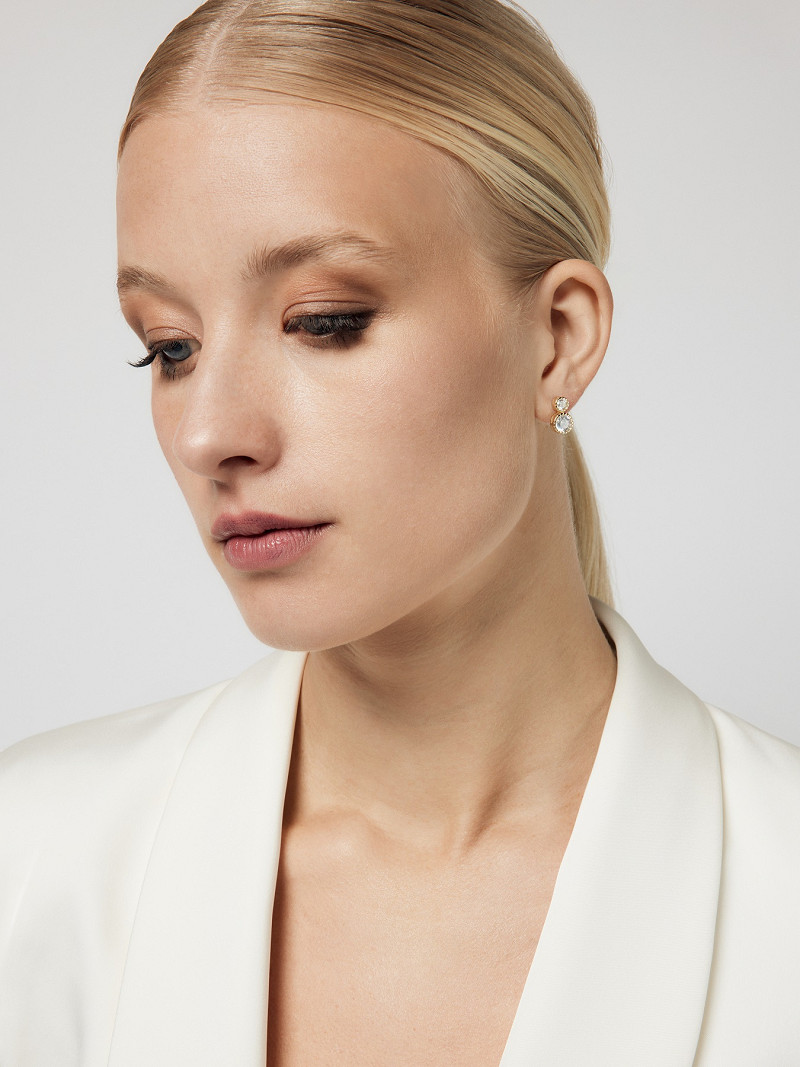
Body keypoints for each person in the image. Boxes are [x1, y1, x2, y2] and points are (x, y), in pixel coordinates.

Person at [1, 1, 798, 1064]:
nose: (208, 434)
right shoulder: (30, 861)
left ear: (558, 337)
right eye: (170, 347)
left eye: (323, 321)